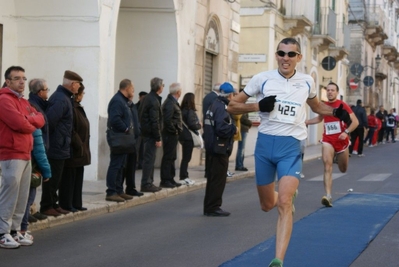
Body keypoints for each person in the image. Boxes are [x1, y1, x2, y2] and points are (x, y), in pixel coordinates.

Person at [226, 38, 351, 267]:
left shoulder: (306, 81)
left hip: (292, 146)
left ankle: (278, 260)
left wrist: (337, 111)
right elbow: (232, 106)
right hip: (265, 146)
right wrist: (257, 106)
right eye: (281, 53)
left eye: (291, 54)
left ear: (298, 58)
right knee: (267, 205)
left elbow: (316, 107)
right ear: (277, 55)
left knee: (284, 201)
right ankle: (284, 195)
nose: (286, 58)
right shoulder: (261, 79)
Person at [0, 66, 45, 248]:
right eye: (17, 78)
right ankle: (2, 233)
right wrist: (29, 120)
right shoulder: (4, 100)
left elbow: (41, 119)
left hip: (26, 153)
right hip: (11, 153)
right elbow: (20, 123)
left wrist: (29, 119)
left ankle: (14, 231)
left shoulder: (24, 102)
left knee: (22, 195)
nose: (22, 81)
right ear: (8, 81)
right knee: (9, 195)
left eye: (24, 78)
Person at [305, 82, 358, 207]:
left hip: (342, 141)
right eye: (328, 90)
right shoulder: (323, 106)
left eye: (332, 90)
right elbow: (319, 119)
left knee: (343, 169)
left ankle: (337, 157)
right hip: (328, 140)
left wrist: (346, 132)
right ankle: (328, 196)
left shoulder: (343, 105)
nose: (330, 92)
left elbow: (355, 122)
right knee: (327, 166)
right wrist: (306, 121)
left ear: (337, 92)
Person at [40, 70, 83, 217]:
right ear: (72, 84)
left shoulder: (65, 97)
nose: (79, 88)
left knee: (57, 178)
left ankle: (53, 203)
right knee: (52, 178)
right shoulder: (61, 99)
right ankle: (46, 206)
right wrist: (56, 141)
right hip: (56, 146)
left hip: (61, 145)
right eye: (78, 84)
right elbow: (49, 122)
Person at [203, 82, 237, 217]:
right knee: (218, 180)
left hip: (212, 147)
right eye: (233, 94)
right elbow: (222, 128)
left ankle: (209, 206)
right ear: (230, 95)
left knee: (212, 179)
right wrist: (234, 129)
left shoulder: (213, 104)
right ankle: (213, 207)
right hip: (219, 148)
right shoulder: (222, 107)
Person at [59, 84, 91, 211]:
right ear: (77, 95)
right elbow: (70, 128)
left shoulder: (78, 107)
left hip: (81, 149)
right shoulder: (72, 107)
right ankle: (67, 204)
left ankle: (76, 203)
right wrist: (78, 143)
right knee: (70, 178)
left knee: (78, 177)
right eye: (82, 93)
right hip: (74, 149)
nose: (83, 96)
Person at [105, 79, 137, 202]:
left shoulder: (124, 101)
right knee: (116, 164)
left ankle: (119, 190)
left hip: (123, 138)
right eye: (132, 90)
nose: (133, 92)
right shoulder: (117, 101)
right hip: (118, 137)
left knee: (121, 165)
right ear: (127, 88)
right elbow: (115, 119)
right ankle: (111, 191)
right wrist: (126, 128)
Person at [20, 128, 51, 240]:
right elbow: (39, 151)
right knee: (27, 200)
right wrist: (46, 172)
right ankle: (22, 230)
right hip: (30, 167)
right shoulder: (33, 125)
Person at [28, 78, 50, 221]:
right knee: (32, 183)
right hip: (34, 153)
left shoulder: (39, 105)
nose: (48, 92)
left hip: (38, 150)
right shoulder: (33, 107)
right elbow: (37, 138)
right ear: (40, 92)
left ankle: (32, 210)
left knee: (33, 184)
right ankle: (26, 215)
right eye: (46, 89)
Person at [138, 77, 164, 192]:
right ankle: (146, 183)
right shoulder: (153, 100)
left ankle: (149, 182)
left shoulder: (148, 98)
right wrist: (158, 137)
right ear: (159, 87)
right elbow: (155, 120)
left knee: (150, 158)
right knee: (149, 159)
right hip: (150, 135)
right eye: (163, 85)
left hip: (147, 133)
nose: (163, 87)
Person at [159, 83, 183, 188]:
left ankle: (170, 178)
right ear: (178, 92)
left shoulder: (173, 102)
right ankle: (165, 180)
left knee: (172, 157)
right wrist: (175, 130)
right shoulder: (169, 103)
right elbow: (167, 120)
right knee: (168, 157)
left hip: (173, 134)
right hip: (170, 135)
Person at [123, 94, 143, 197]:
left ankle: (131, 187)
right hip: (125, 139)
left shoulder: (133, 106)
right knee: (124, 165)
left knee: (132, 165)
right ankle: (119, 189)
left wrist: (138, 130)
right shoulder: (122, 105)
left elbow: (136, 120)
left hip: (134, 139)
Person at [179, 92, 201, 185]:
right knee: (186, 158)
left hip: (183, 136)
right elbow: (192, 124)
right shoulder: (190, 111)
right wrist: (199, 125)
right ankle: (184, 176)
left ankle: (184, 175)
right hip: (189, 137)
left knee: (185, 157)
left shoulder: (182, 110)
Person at [202, 83, 220, 178]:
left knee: (208, 149)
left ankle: (207, 170)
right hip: (213, 126)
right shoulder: (215, 98)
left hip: (206, 125)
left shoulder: (207, 97)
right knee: (213, 150)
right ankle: (210, 171)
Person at [235, 95, 252, 171]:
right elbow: (243, 118)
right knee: (241, 148)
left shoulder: (242, 105)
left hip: (243, 128)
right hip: (242, 129)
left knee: (242, 148)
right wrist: (250, 123)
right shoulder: (241, 106)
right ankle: (239, 165)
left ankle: (240, 164)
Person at [136, 91, 148, 170]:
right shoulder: (135, 107)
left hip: (145, 131)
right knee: (137, 148)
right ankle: (136, 164)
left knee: (143, 149)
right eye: (142, 98)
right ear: (139, 97)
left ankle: (141, 164)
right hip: (138, 131)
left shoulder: (147, 107)